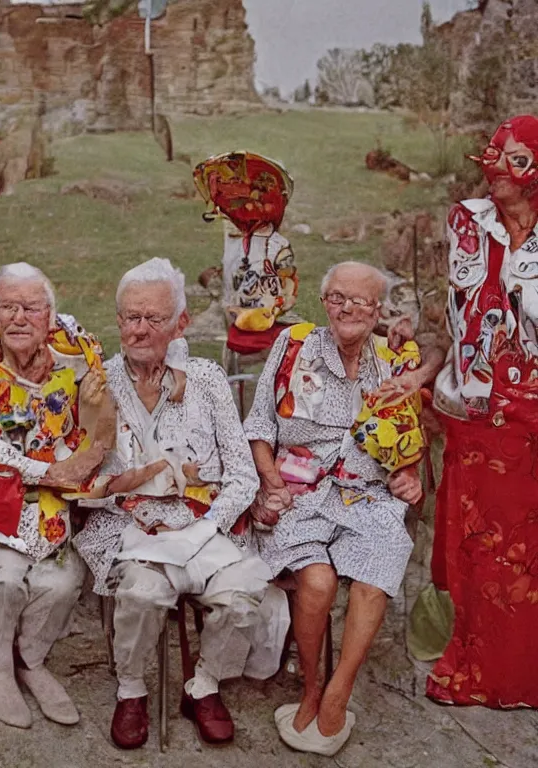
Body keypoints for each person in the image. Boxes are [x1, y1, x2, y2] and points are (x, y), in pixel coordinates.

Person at [73, 258, 289, 750]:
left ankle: (205, 684)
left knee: (240, 599)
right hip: (131, 524)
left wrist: (206, 525)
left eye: (153, 318)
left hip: (207, 524)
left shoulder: (207, 380)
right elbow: (89, 477)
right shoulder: (99, 384)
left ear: (181, 324)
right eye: (130, 317)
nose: (139, 330)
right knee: (143, 594)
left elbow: (240, 473)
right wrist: (123, 487)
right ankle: (131, 689)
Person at [243, 261, 424, 757]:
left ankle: (339, 691)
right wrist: (270, 481)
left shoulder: (392, 363)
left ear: (377, 312)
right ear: (324, 303)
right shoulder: (292, 346)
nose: (348, 309)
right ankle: (310, 685)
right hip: (299, 496)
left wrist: (407, 478)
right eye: (338, 298)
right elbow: (259, 426)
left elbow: (408, 449)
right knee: (318, 583)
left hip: (365, 496)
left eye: (360, 301)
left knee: (376, 569)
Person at [394, 115, 538, 709]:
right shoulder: (467, 223)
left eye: (509, 156)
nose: (492, 166)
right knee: (471, 544)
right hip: (470, 413)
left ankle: (518, 670)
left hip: (530, 420)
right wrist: (422, 373)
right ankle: (475, 657)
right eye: (492, 152)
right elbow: (445, 320)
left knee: (523, 549)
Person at [0, 263, 110, 729]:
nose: (18, 318)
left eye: (31, 308)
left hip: (48, 513)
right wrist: (52, 471)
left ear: (51, 317)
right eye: (7, 307)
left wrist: (85, 441)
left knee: (62, 580)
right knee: (7, 577)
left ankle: (29, 661)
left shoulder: (71, 373)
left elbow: (92, 437)